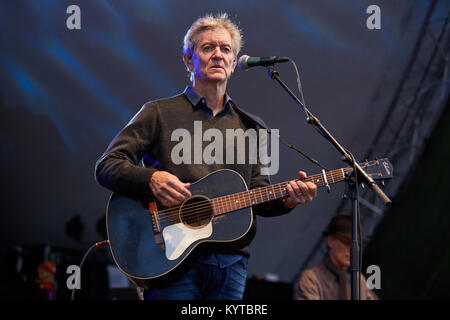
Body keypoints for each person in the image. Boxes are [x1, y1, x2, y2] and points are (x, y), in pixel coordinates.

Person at [95, 13, 317, 300]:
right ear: (189, 60)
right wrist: (152, 178)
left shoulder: (252, 126)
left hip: (231, 263)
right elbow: (107, 166)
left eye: (225, 49)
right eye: (207, 48)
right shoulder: (158, 112)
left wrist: (288, 199)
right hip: (169, 259)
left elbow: (257, 194)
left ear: (234, 63)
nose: (218, 55)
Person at [294, 215, 378, 300]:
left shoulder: (359, 280)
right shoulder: (311, 279)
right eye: (347, 243)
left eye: (357, 245)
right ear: (331, 241)